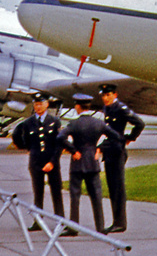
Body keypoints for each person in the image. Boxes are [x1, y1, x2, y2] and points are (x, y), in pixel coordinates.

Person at [58, 94, 122, 234]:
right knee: (96, 195)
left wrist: (72, 150)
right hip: (93, 161)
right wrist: (100, 148)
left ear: (78, 106)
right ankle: (100, 227)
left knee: (75, 196)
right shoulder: (98, 123)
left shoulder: (73, 123)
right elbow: (116, 137)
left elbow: (60, 137)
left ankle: (73, 228)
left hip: (77, 162)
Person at [11, 93, 65, 226]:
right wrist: (30, 150)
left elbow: (59, 144)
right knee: (38, 192)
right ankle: (38, 221)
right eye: (36, 104)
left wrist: (52, 162)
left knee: (56, 191)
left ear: (47, 104)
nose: (38, 106)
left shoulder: (54, 121)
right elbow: (21, 138)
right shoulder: (28, 123)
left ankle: (61, 220)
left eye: (41, 103)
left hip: (52, 161)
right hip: (36, 162)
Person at [98, 84, 145, 234]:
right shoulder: (107, 108)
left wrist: (129, 138)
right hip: (109, 150)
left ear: (115, 95)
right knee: (112, 188)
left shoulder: (120, 108)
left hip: (117, 150)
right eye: (103, 95)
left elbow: (139, 123)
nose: (105, 98)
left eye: (108, 95)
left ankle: (120, 223)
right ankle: (116, 221)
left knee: (118, 188)